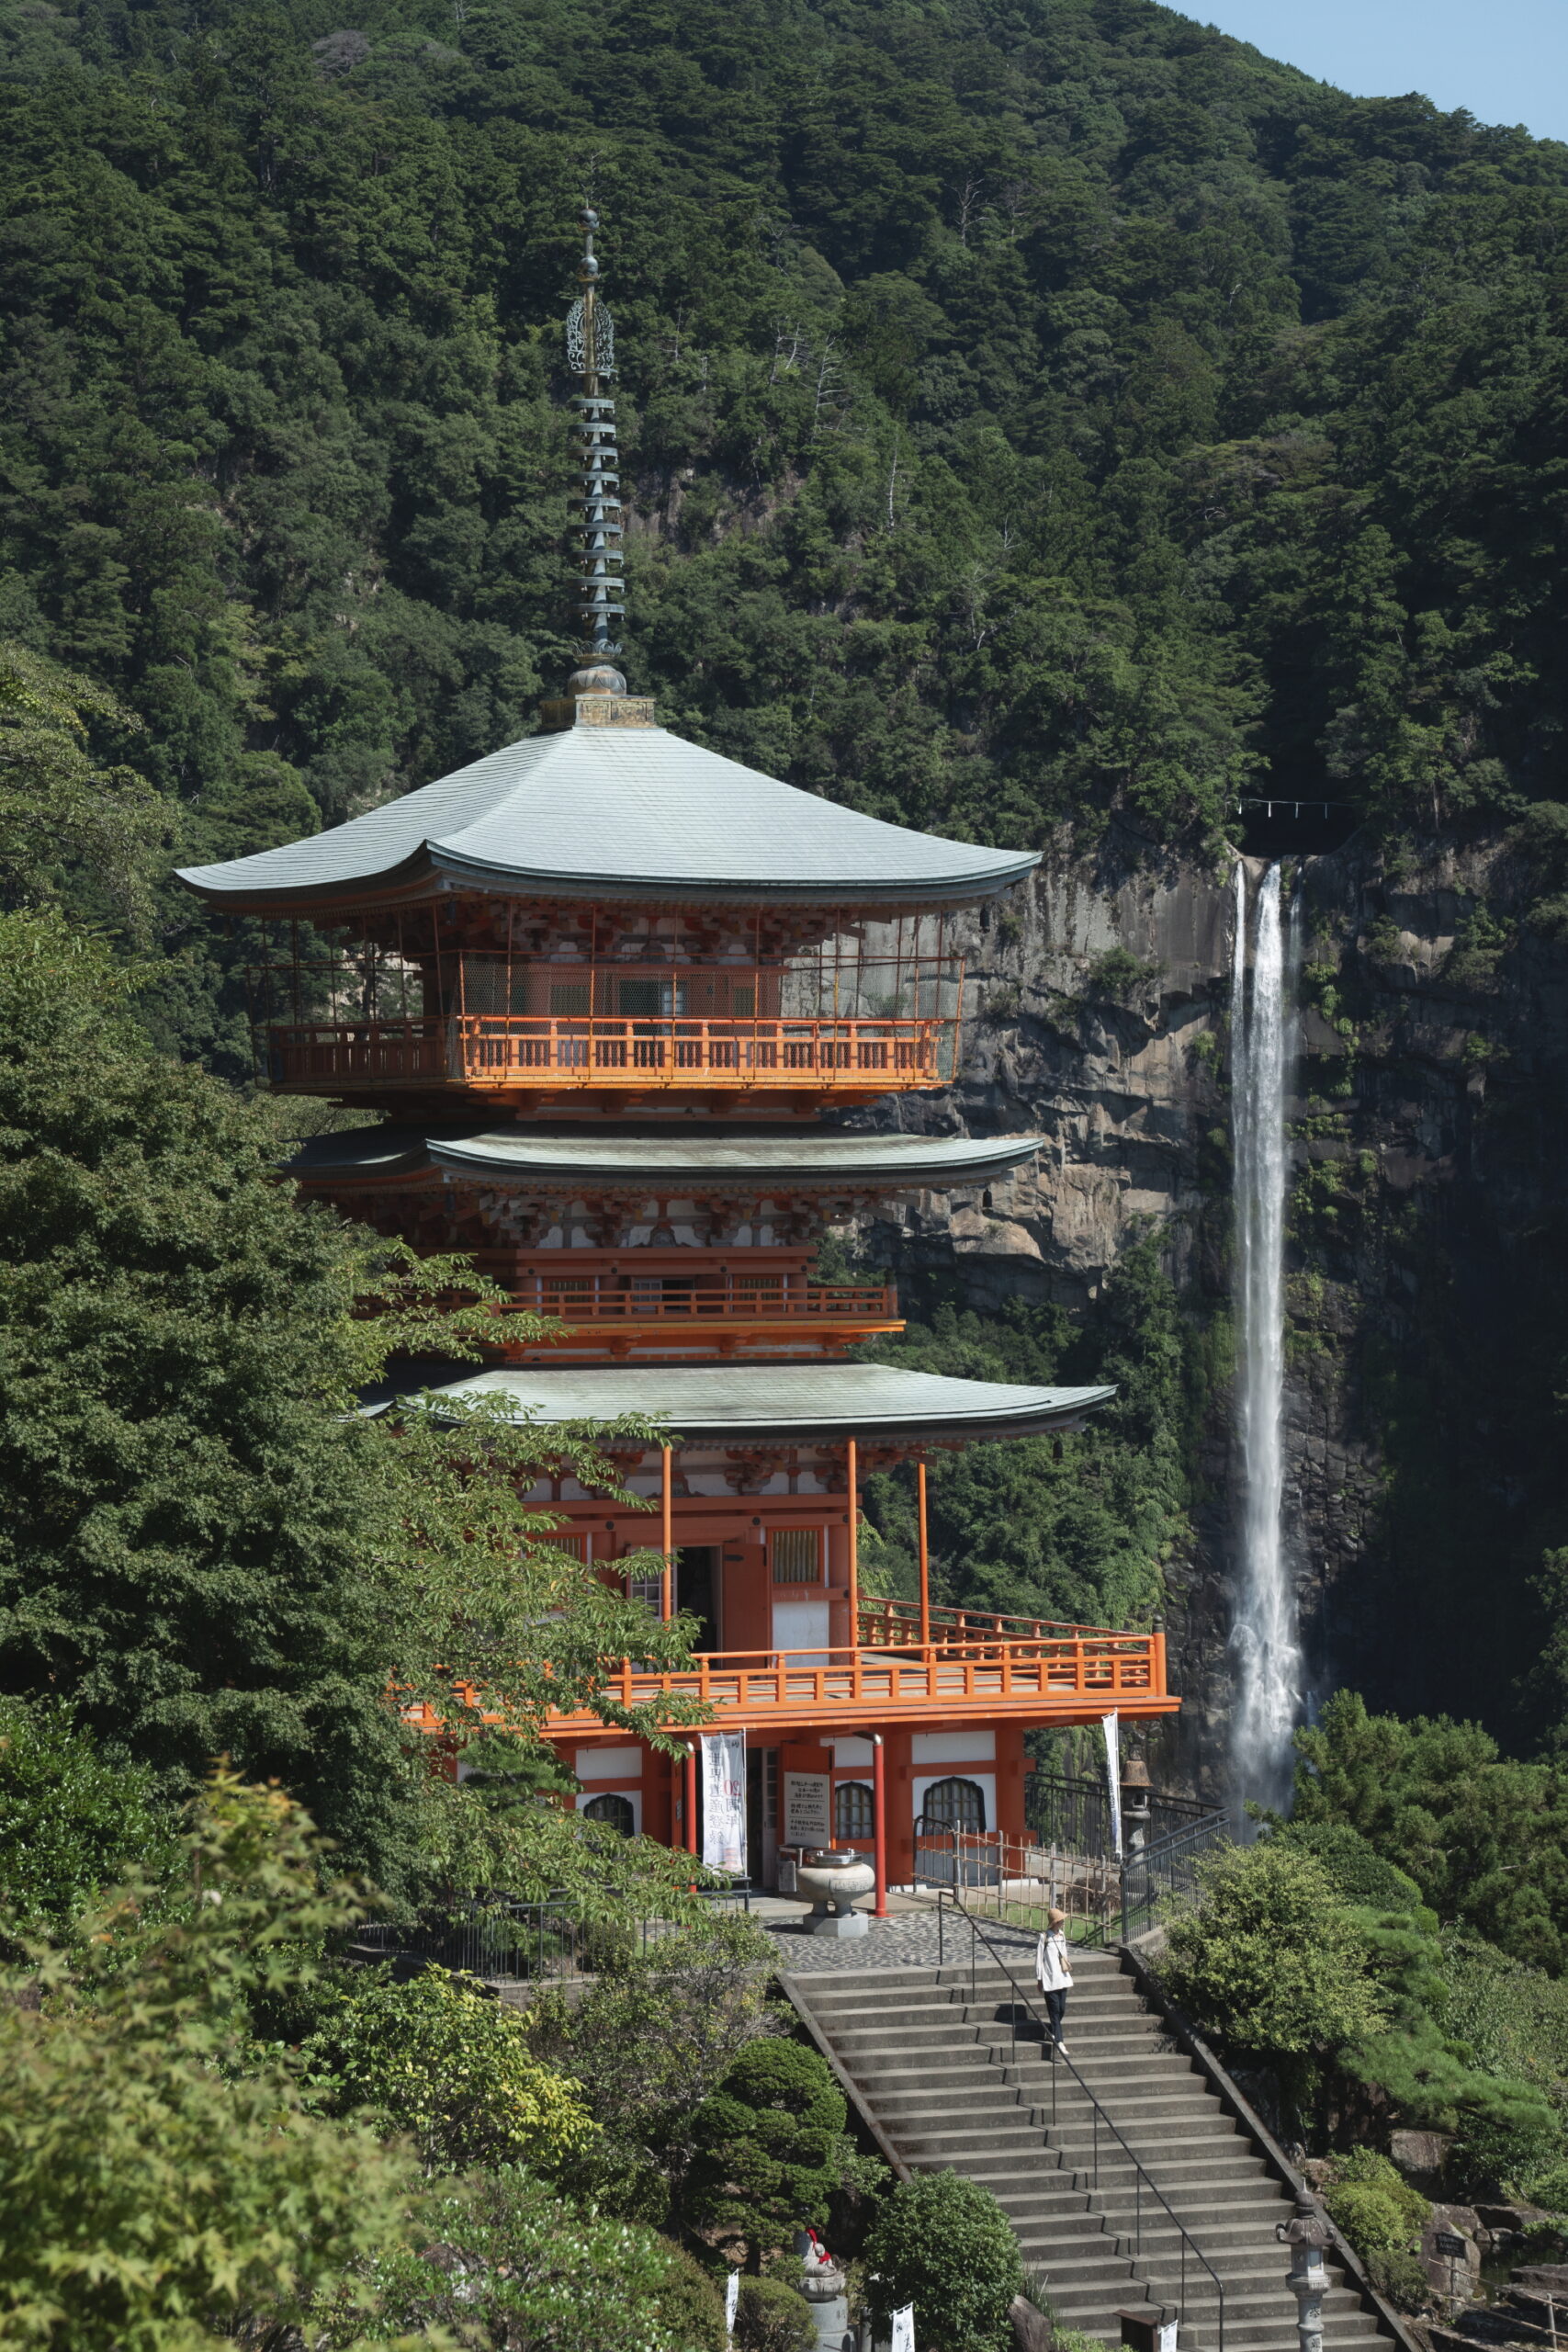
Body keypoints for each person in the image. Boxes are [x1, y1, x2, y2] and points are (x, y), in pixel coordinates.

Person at [1035, 1905, 1073, 2054]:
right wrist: (1039, 1979)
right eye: (1060, 1921)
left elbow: (1064, 1954)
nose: (1062, 1923)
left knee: (1061, 2008)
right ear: (1054, 1923)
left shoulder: (1062, 1936)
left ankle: (1053, 2029)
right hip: (1049, 1979)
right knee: (1054, 2010)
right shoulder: (1044, 1938)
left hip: (1062, 1978)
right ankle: (1059, 2040)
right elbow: (1039, 1959)